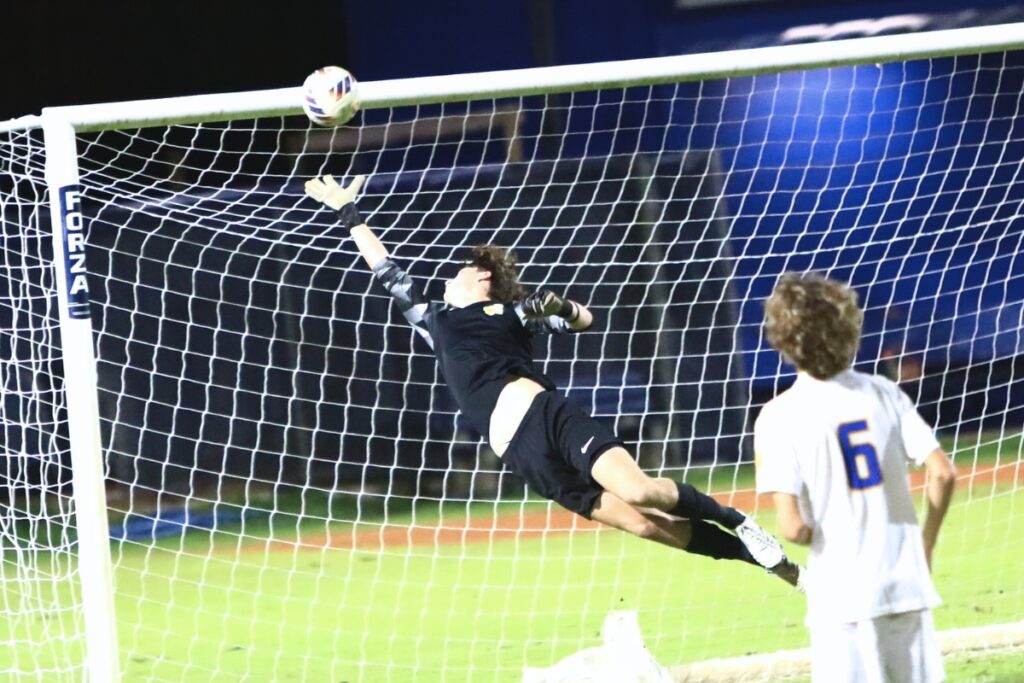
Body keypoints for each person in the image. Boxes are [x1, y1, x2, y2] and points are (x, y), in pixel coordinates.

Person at [305, 173, 802, 586]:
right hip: (521, 456)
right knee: (648, 526)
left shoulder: (511, 311)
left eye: (463, 267)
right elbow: (386, 270)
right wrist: (348, 211)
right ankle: (768, 563)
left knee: (641, 492)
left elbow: (584, 320)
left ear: (482, 278)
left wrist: (559, 306)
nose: (451, 273)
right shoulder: (434, 320)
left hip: (550, 418)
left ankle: (738, 520)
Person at [754, 272, 957, 682]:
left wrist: (811, 527)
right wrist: (926, 543)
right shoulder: (886, 393)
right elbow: (943, 473)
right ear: (849, 329)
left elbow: (792, 527)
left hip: (841, 594)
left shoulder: (778, 416)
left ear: (782, 340)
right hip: (905, 581)